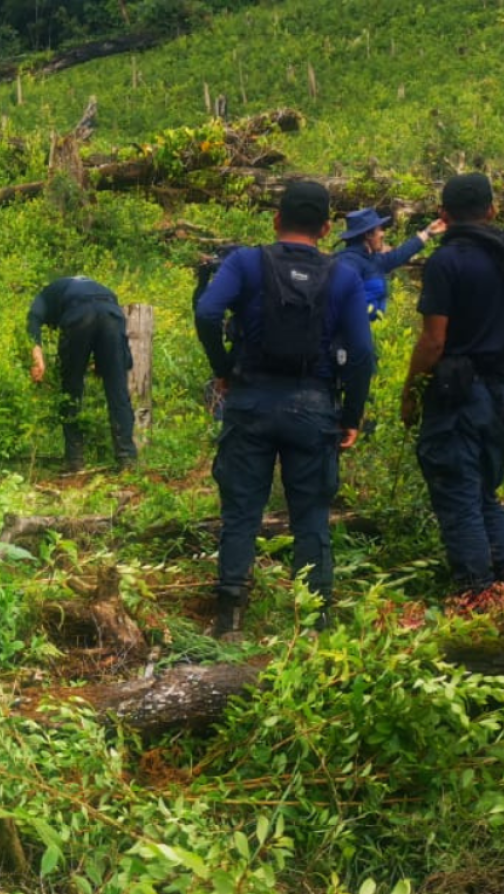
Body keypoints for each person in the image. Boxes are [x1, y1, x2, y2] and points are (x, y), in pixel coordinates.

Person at [195, 181, 374, 635]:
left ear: (276, 219)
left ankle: (230, 618)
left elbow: (208, 313)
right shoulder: (344, 276)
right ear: (328, 228)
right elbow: (362, 353)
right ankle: (314, 622)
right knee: (311, 513)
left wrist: (224, 369)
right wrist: (350, 416)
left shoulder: (245, 262)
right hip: (313, 408)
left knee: (241, 510)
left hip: (250, 401)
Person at [401, 173, 504, 613]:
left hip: (456, 397)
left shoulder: (447, 262)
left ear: (443, 215)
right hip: (499, 391)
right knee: (484, 492)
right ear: (492, 210)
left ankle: (477, 597)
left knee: (459, 492)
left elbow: (433, 341)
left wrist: (411, 390)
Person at [27, 276, 138, 472]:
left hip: (79, 314)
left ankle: (74, 460)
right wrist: (107, 363)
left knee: (70, 389)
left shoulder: (44, 296)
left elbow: (33, 320)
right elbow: (124, 358)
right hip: (112, 313)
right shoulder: (94, 287)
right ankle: (127, 459)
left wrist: (37, 359)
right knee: (118, 388)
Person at [336, 207, 446, 321]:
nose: (383, 234)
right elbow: (343, 304)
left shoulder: (374, 259)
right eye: (379, 229)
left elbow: (399, 255)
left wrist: (427, 233)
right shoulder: (347, 262)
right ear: (368, 234)